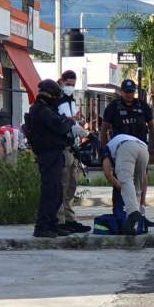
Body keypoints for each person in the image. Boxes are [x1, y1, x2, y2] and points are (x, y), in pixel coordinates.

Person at [101, 79, 154, 226]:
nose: (129, 95)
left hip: (140, 148)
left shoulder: (142, 106)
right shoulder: (113, 107)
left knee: (141, 182)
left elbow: (152, 127)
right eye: (126, 92)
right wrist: (103, 149)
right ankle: (120, 213)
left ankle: (140, 214)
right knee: (122, 181)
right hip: (121, 150)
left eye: (132, 92)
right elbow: (104, 128)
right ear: (121, 92)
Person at [27, 79, 80, 238]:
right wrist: (69, 121)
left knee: (56, 192)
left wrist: (66, 122)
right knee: (50, 192)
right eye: (55, 95)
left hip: (54, 154)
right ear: (49, 94)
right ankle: (42, 227)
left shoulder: (46, 109)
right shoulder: (42, 110)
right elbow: (61, 126)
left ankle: (52, 225)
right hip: (48, 155)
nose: (57, 99)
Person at [55, 70, 90, 234]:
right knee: (63, 186)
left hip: (72, 148)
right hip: (63, 147)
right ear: (61, 82)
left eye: (73, 85)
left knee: (71, 186)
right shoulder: (58, 101)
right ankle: (61, 220)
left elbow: (74, 122)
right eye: (68, 84)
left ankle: (70, 219)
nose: (70, 87)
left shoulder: (71, 101)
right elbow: (67, 124)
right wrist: (87, 134)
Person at [100, 134, 150, 233]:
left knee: (126, 180)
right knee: (137, 184)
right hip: (144, 148)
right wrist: (142, 202)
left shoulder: (107, 148)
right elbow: (144, 180)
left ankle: (133, 214)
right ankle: (137, 222)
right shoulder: (122, 139)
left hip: (126, 148)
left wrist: (121, 188)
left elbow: (108, 174)